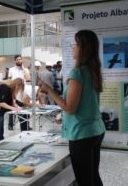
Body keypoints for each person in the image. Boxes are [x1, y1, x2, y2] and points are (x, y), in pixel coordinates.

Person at [39, 30, 106, 186]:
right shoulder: (93, 71)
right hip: (95, 130)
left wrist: (49, 91)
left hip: (82, 134)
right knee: (93, 176)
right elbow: (85, 103)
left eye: (75, 44)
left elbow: (70, 108)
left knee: (84, 180)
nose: (72, 48)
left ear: (83, 48)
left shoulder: (78, 73)